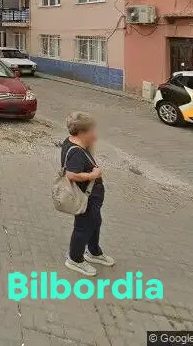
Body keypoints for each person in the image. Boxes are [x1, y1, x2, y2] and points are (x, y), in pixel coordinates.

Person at [61, 112, 115, 276]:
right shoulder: (76, 151)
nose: (94, 134)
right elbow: (72, 174)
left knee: (95, 222)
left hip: (92, 196)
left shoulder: (73, 142)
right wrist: (93, 175)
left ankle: (93, 251)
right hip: (86, 196)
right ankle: (75, 259)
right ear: (81, 132)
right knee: (83, 227)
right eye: (91, 131)